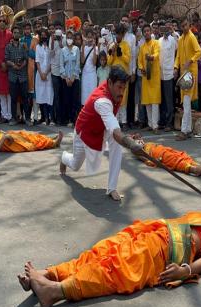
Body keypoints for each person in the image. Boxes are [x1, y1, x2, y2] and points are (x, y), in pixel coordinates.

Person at [17, 199, 201, 307]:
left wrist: (185, 270)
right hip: (154, 231)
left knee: (117, 268)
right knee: (102, 251)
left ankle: (55, 292)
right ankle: (50, 274)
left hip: (166, 247)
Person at [60, 66, 141, 201]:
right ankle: (64, 157)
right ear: (109, 83)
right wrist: (130, 144)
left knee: (116, 144)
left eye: (124, 88)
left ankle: (112, 188)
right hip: (84, 132)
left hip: (102, 129)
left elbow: (113, 126)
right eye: (119, 87)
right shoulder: (102, 101)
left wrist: (126, 140)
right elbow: (115, 130)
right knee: (75, 165)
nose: (121, 92)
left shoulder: (114, 91)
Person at [174, 17, 201, 140]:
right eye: (183, 26)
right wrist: (176, 68)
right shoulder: (180, 39)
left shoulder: (192, 37)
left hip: (190, 74)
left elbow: (199, 52)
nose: (184, 27)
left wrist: (190, 61)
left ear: (189, 25)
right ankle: (188, 130)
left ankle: (184, 131)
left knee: (186, 102)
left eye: (186, 25)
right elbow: (179, 56)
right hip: (183, 74)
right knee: (186, 103)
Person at [132, 134, 201, 176]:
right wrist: (154, 162)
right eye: (137, 141)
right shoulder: (138, 152)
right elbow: (145, 160)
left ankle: (198, 166)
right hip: (160, 156)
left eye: (140, 139)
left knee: (182, 155)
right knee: (176, 161)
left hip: (166, 150)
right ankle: (194, 170)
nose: (140, 141)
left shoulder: (148, 143)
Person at [138, 24, 161, 134]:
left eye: (148, 30)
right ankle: (150, 124)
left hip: (155, 76)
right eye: (145, 31)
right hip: (146, 77)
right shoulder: (142, 47)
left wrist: (151, 57)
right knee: (147, 102)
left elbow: (157, 54)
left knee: (155, 102)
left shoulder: (156, 43)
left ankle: (155, 125)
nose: (147, 32)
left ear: (151, 31)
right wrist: (141, 68)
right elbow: (140, 61)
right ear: (143, 33)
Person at [107, 23, 131, 129]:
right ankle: (115, 121)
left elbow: (128, 60)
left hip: (123, 75)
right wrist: (113, 53)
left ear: (123, 35)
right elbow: (108, 62)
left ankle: (124, 121)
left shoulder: (126, 45)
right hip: (114, 76)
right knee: (114, 98)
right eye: (117, 34)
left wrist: (121, 55)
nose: (118, 36)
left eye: (120, 34)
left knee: (123, 98)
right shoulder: (111, 45)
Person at [5, 25, 29, 126]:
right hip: (13, 76)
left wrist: (21, 65)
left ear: (20, 34)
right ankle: (13, 118)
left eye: (18, 33)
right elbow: (6, 60)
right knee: (13, 98)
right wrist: (13, 65)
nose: (16, 34)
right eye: (14, 32)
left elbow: (26, 59)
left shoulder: (23, 46)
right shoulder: (8, 47)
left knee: (25, 98)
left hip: (23, 76)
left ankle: (27, 118)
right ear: (12, 34)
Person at [158, 20, 177, 131]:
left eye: (167, 29)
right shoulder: (159, 41)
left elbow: (177, 49)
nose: (165, 31)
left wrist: (172, 31)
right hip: (160, 74)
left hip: (169, 74)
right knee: (162, 100)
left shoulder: (173, 40)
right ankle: (163, 121)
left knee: (169, 100)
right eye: (163, 29)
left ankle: (169, 123)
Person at [60, 30, 80, 125]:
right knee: (66, 99)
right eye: (68, 37)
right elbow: (61, 65)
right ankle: (66, 119)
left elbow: (77, 64)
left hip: (74, 79)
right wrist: (66, 77)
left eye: (71, 37)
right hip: (65, 79)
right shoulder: (63, 50)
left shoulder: (76, 49)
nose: (69, 39)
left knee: (74, 99)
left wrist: (72, 77)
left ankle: (74, 119)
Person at [21, 21, 39, 125]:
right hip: (23, 70)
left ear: (30, 29)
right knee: (24, 95)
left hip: (33, 70)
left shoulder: (35, 39)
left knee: (34, 94)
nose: (27, 31)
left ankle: (35, 117)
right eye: (25, 29)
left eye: (28, 29)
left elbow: (36, 55)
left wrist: (28, 50)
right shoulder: (21, 40)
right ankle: (25, 116)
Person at [35, 28, 54, 126]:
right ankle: (43, 117)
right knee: (41, 96)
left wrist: (46, 73)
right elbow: (37, 61)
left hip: (48, 75)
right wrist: (41, 73)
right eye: (42, 35)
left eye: (45, 35)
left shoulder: (50, 47)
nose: (44, 37)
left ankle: (49, 117)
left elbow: (51, 61)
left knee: (48, 96)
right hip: (40, 74)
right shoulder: (38, 47)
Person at [50, 21, 65, 125]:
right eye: (56, 28)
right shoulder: (52, 38)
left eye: (59, 28)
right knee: (56, 95)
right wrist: (52, 43)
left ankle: (62, 118)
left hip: (63, 71)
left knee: (62, 95)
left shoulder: (64, 38)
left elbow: (66, 52)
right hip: (54, 70)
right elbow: (50, 55)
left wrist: (60, 42)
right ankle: (55, 118)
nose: (58, 30)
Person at [80, 28, 98, 106]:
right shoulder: (82, 47)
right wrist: (83, 47)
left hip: (92, 74)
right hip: (85, 73)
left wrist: (94, 49)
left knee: (92, 93)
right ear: (86, 37)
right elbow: (82, 61)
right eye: (88, 37)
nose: (89, 39)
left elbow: (94, 63)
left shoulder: (96, 48)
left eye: (91, 37)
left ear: (93, 38)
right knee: (84, 93)